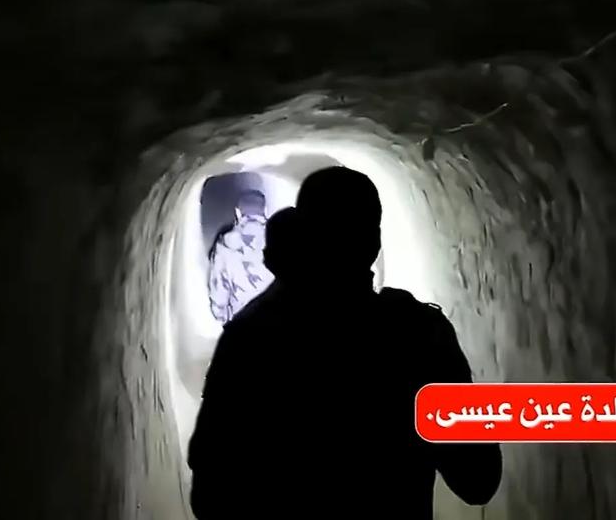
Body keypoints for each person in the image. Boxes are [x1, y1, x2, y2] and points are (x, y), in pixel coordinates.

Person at [187, 167, 503, 519]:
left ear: (304, 237)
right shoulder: (416, 334)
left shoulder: (249, 339)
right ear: (374, 243)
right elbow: (478, 479)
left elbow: (209, 497)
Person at [206, 190, 272, 324]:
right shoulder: (280, 239)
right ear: (265, 210)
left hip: (242, 325)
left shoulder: (225, 245)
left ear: (238, 212)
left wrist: (225, 319)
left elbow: (219, 295)